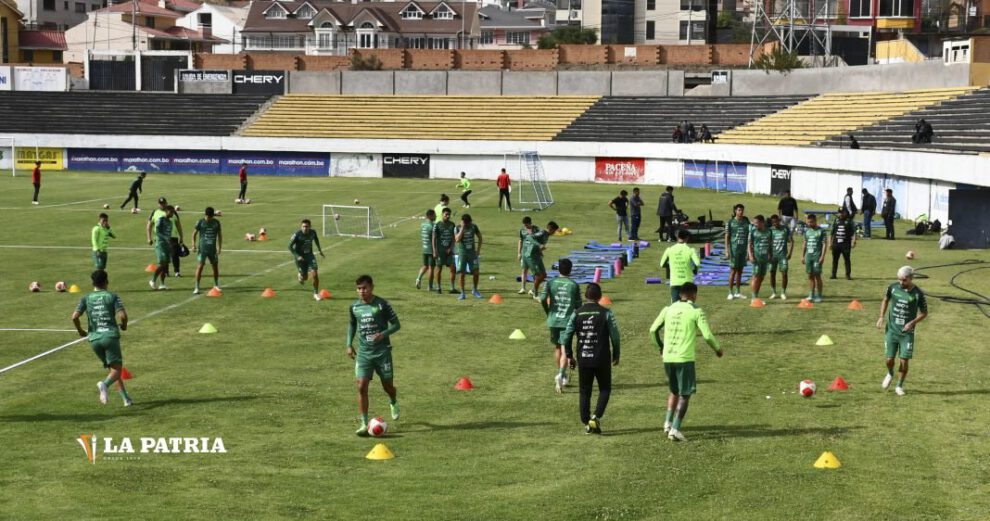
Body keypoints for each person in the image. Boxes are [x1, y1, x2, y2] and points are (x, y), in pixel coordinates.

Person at [649, 282, 723, 442]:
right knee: (685, 394)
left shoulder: (667, 309)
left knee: (674, 391)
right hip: (684, 358)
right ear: (694, 295)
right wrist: (718, 349)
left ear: (680, 294)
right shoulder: (696, 311)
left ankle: (667, 423)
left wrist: (660, 347)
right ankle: (675, 429)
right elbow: (707, 335)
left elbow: (653, 330)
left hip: (668, 357)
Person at [346, 274, 401, 436]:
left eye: (364, 288)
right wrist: (349, 344)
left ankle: (393, 401)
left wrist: (383, 334)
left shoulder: (382, 305)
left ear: (372, 288)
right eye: (359, 289)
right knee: (361, 386)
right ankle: (364, 423)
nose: (361, 291)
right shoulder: (354, 307)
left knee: (387, 386)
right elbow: (351, 325)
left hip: (382, 352)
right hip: (364, 354)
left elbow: (397, 325)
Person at [563, 282, 620, 435]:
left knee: (584, 391)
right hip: (602, 358)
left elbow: (567, 335)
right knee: (605, 389)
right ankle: (595, 417)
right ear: (600, 297)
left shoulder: (577, 313)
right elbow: (615, 336)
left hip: (584, 358)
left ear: (585, 296)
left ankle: (586, 422)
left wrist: (569, 355)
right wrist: (616, 354)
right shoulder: (606, 313)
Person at [72, 269, 132, 407]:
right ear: (106, 281)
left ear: (93, 282)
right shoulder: (112, 296)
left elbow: (74, 316)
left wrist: (81, 330)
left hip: (94, 339)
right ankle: (104, 385)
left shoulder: (86, 298)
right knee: (117, 370)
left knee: (112, 370)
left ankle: (126, 399)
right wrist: (124, 326)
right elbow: (123, 316)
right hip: (109, 336)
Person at [876, 266, 928, 396]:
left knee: (904, 361)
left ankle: (899, 385)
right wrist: (881, 317)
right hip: (892, 330)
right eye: (899, 279)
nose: (901, 282)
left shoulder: (918, 294)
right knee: (889, 360)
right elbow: (885, 299)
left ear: (911, 278)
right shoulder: (892, 288)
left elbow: (924, 313)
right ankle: (890, 373)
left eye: (904, 280)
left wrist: (912, 323)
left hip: (906, 334)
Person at [540, 257, 582, 394]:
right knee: (565, 349)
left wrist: (548, 312)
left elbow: (542, 299)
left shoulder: (550, 283)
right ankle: (561, 375)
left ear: (558, 269)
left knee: (558, 347)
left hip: (553, 320)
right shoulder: (574, 285)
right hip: (567, 322)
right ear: (570, 270)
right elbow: (578, 306)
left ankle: (562, 374)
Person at [146, 197, 185, 278]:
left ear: (166, 203)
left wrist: (181, 236)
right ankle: (165, 272)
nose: (162, 205)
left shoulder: (173, 212)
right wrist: (149, 238)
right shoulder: (155, 212)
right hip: (161, 238)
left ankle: (177, 271)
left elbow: (178, 225)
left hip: (172, 236)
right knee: (164, 256)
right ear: (158, 204)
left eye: (164, 203)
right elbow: (149, 226)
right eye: (161, 203)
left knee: (175, 254)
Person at [659, 229, 700, 303]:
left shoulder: (669, 250)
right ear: (687, 238)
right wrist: (693, 268)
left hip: (675, 282)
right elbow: (697, 263)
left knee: (675, 307)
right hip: (688, 283)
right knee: (689, 306)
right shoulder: (691, 250)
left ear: (677, 237)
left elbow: (662, 264)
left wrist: (672, 264)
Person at [288, 218, 325, 300]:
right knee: (305, 277)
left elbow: (316, 239)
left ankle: (315, 293)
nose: (305, 228)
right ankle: (300, 274)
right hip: (300, 258)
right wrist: (297, 256)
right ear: (301, 227)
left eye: (307, 226)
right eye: (303, 226)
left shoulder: (313, 232)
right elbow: (289, 246)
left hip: (310, 256)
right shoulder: (297, 234)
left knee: (315, 274)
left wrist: (319, 250)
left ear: (310, 226)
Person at [523, 220, 558, 299]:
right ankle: (535, 295)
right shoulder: (542, 232)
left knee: (544, 275)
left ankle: (532, 290)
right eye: (554, 231)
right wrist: (539, 245)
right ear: (550, 228)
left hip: (537, 256)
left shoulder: (547, 235)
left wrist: (540, 252)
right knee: (539, 275)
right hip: (531, 256)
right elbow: (529, 237)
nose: (554, 233)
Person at [192, 206, 223, 295]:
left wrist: (219, 247)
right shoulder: (200, 222)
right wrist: (193, 245)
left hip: (212, 249)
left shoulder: (216, 223)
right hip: (202, 249)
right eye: (207, 217)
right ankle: (197, 287)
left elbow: (219, 235)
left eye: (210, 217)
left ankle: (216, 285)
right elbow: (194, 234)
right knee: (200, 266)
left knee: (215, 266)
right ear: (205, 215)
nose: (208, 219)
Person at [454, 213, 483, 300]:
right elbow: (457, 239)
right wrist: (462, 228)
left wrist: (478, 250)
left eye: (470, 222)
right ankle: (462, 293)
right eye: (467, 223)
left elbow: (480, 237)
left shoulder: (474, 227)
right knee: (462, 274)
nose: (469, 224)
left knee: (476, 272)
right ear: (463, 222)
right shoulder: (457, 227)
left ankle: (475, 290)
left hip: (472, 254)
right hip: (462, 253)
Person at [725, 204, 749, 300]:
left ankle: (738, 292)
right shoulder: (730, 222)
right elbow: (727, 236)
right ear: (735, 211)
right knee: (733, 271)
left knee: (740, 271)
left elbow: (749, 234)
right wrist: (727, 250)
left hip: (743, 250)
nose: (741, 212)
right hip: (734, 250)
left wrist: (748, 251)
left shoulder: (746, 221)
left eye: (742, 210)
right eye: (739, 210)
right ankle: (730, 292)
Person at [148, 205, 176, 291]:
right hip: (160, 244)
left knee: (166, 264)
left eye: (173, 212)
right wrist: (165, 238)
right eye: (171, 212)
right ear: (167, 211)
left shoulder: (170, 222)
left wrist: (170, 244)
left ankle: (162, 284)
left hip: (167, 244)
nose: (172, 213)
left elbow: (169, 235)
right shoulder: (161, 220)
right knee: (162, 264)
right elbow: (157, 232)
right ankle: (152, 280)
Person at [802, 213, 828, 303]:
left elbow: (825, 244)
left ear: (815, 221)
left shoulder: (821, 231)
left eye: (811, 222)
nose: (809, 224)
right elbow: (805, 243)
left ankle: (819, 295)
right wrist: (802, 256)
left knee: (817, 276)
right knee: (810, 275)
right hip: (808, 257)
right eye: (808, 222)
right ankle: (811, 295)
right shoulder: (807, 231)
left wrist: (822, 256)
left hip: (817, 257)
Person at [768, 214, 794, 299]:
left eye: (776, 222)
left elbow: (791, 241)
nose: (775, 223)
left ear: (779, 220)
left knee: (784, 273)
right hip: (773, 255)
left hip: (783, 255)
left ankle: (783, 292)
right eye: (773, 222)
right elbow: (767, 243)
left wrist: (789, 253)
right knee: (772, 273)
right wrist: (768, 254)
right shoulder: (770, 230)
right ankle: (773, 292)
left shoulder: (785, 229)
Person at [432, 207, 457, 294]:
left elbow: (454, 238)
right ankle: (438, 288)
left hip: (449, 251)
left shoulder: (452, 225)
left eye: (449, 214)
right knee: (439, 268)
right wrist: (435, 251)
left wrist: (451, 248)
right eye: (446, 214)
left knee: (453, 268)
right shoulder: (437, 225)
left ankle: (452, 288)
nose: (448, 216)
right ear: (442, 214)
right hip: (440, 251)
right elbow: (434, 238)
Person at [747, 215, 772, 300]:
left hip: (764, 259)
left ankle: (756, 295)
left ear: (762, 223)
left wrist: (769, 254)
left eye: (756, 223)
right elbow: (749, 245)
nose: (755, 224)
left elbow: (769, 244)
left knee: (761, 277)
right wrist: (750, 256)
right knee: (756, 276)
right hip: (756, 258)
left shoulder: (769, 232)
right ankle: (753, 298)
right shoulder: (753, 232)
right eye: (754, 223)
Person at [829, 207, 856, 280]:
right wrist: (830, 243)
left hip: (846, 244)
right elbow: (831, 233)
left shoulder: (849, 221)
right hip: (836, 244)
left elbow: (853, 233)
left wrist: (853, 241)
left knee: (847, 260)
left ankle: (848, 275)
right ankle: (833, 274)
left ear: (845, 213)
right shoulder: (836, 221)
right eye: (839, 212)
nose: (840, 214)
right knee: (835, 260)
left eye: (842, 212)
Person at [415, 209, 436, 291]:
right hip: (431, 249)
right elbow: (434, 239)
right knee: (431, 267)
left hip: (424, 248)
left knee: (425, 265)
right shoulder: (432, 226)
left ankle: (418, 279)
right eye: (434, 215)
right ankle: (430, 286)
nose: (435, 216)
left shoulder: (422, 224)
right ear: (430, 216)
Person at [517, 217, 537, 295]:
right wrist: (519, 253)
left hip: (533, 254)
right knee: (524, 270)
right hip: (525, 254)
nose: (525, 226)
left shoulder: (536, 230)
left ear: (530, 223)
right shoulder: (522, 230)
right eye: (524, 225)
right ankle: (523, 288)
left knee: (535, 272)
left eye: (526, 225)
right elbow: (520, 241)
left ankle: (534, 289)